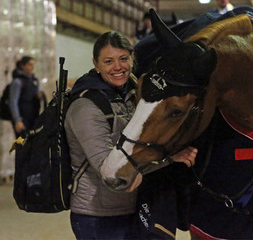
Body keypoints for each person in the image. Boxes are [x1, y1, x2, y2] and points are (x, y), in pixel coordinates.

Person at [64, 31, 198, 240]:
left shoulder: (133, 96)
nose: (118, 67)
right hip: (98, 215)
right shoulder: (86, 106)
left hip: (132, 208)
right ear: (96, 64)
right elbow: (110, 171)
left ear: (132, 59)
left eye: (123, 59)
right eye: (108, 61)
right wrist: (169, 159)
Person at [9, 56, 42, 137]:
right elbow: (13, 102)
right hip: (23, 120)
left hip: (33, 119)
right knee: (22, 146)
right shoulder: (18, 82)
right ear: (23, 66)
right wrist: (17, 120)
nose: (32, 67)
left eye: (33, 65)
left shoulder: (34, 80)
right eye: (30, 65)